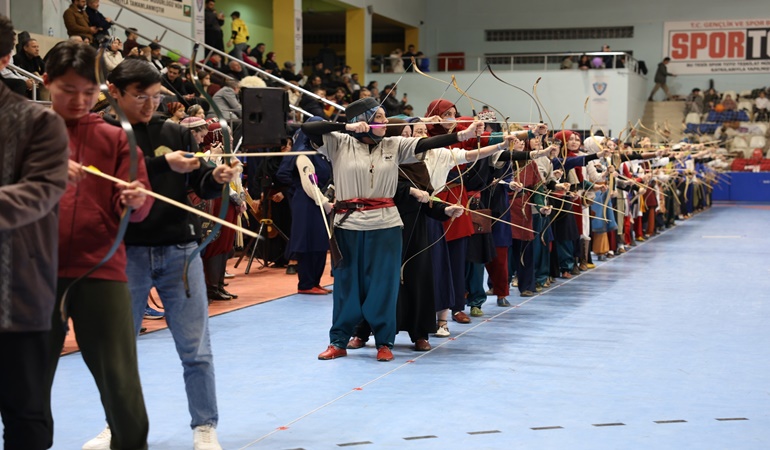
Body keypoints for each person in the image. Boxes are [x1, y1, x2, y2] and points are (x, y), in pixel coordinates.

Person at [87, 57, 238, 449]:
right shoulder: (103, 133)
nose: (150, 104)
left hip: (179, 251)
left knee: (196, 349)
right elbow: (105, 182)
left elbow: (198, 184)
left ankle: (205, 427)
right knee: (118, 351)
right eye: (141, 96)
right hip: (126, 254)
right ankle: (116, 425)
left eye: (155, 96)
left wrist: (215, 178)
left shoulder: (173, 130)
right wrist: (160, 164)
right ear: (114, 93)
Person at [301, 97, 479, 362]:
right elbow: (308, 127)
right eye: (380, 117)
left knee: (383, 285)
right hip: (347, 224)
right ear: (363, 121)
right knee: (347, 285)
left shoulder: (394, 145)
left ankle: (384, 342)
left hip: (385, 225)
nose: (385, 123)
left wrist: (462, 134)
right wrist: (346, 128)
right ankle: (338, 341)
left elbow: (427, 142)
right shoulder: (338, 143)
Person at [42, 41, 153, 450]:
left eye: (88, 92)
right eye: (68, 90)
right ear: (46, 82)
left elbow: (139, 206)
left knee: (121, 383)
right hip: (33, 274)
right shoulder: (25, 133)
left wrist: (137, 201)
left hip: (100, 271)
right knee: (26, 387)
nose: (79, 100)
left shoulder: (115, 138)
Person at [0, 15, 69, 449]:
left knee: (26, 417)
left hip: (18, 298)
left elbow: (41, 193)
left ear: (5, 59)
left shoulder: (38, 123)